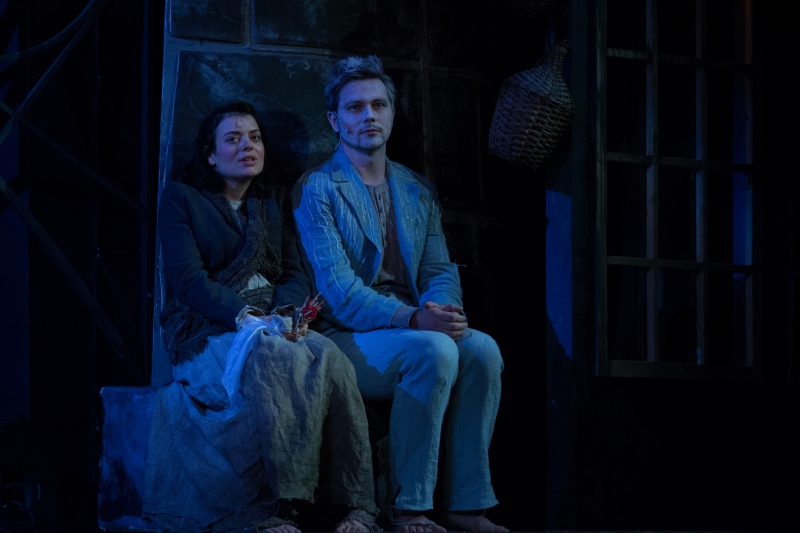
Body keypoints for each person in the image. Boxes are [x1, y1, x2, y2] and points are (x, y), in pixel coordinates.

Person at [292, 57, 508, 533]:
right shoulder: (317, 188)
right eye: (355, 107)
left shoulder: (415, 188)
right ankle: (409, 508)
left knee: (484, 351)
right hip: (347, 334)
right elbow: (339, 293)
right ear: (335, 121)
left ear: (391, 113)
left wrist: (442, 310)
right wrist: (414, 319)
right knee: (432, 351)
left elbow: (438, 268)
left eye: (378, 104)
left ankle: (467, 506)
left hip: (414, 324)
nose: (368, 115)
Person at [143, 101, 379, 533]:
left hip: (274, 323)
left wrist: (284, 316)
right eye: (233, 139)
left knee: (332, 359)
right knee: (274, 359)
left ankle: (354, 503)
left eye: (254, 137)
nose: (247, 146)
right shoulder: (182, 199)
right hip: (209, 330)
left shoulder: (270, 204)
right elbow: (189, 281)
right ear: (210, 155)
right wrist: (247, 317)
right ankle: (279, 506)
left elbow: (292, 272)